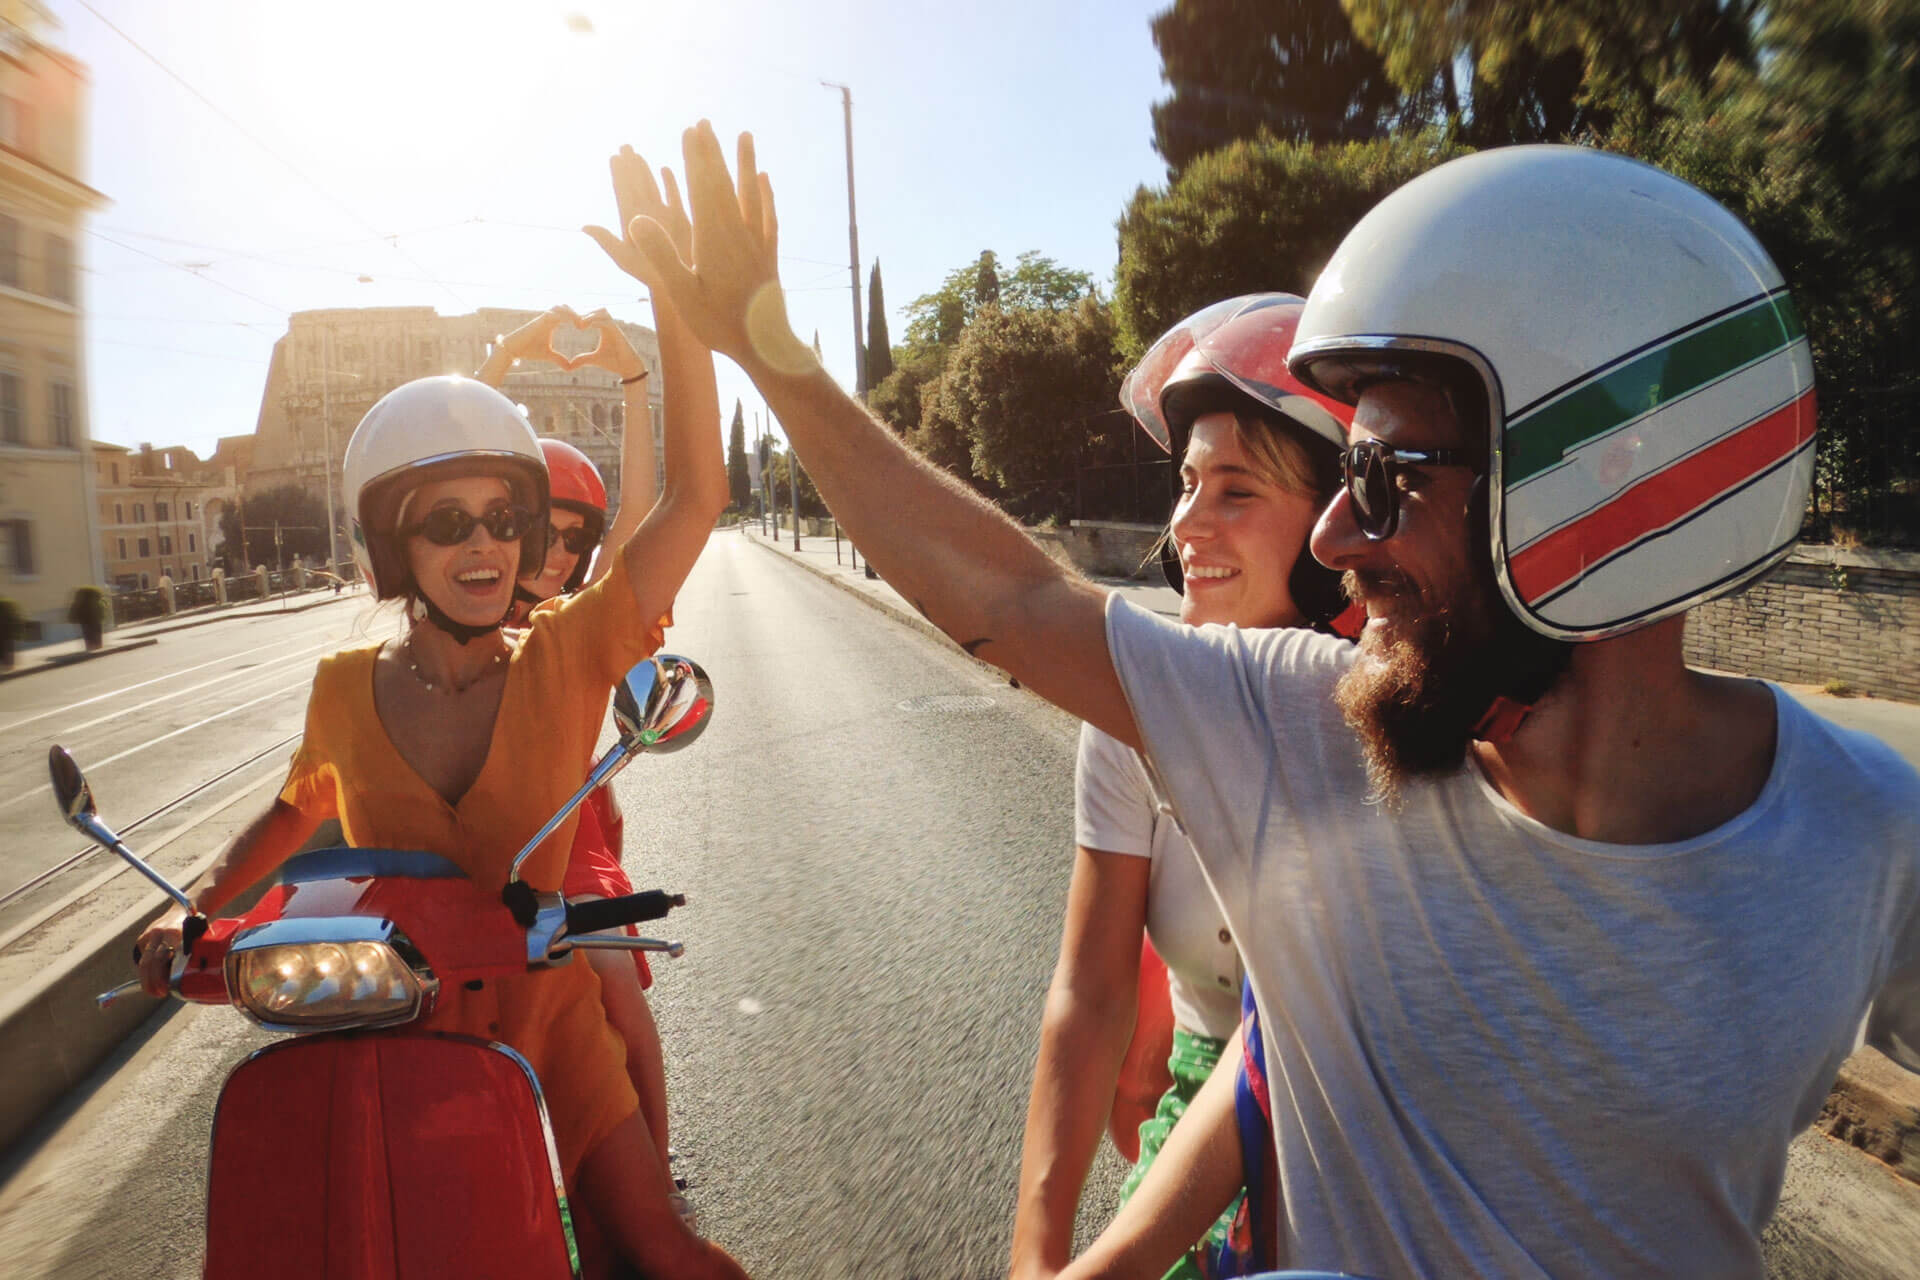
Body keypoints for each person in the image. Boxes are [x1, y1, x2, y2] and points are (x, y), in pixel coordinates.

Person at [629, 126, 1920, 1276]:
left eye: (1390, 477)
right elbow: (1013, 604)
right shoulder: (1301, 725)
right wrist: (773, 357)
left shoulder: (1874, 828)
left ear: (1613, 482)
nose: (1343, 545)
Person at [132, 147, 743, 1280]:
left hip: (550, 1025)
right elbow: (282, 819)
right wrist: (193, 913)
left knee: (661, 1250)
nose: (485, 546)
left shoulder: (568, 651)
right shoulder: (339, 688)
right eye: (448, 521)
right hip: (386, 1032)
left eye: (506, 517)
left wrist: (678, 302)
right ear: (393, 544)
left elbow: (697, 495)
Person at [1010, 295, 1352, 1280]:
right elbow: (1090, 986)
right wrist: (1035, 1251)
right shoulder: (1133, 709)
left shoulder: (1395, 718)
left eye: (1236, 491)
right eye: (1188, 481)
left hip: (1359, 1116)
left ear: (1337, 523)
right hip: (1209, 1088)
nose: (1187, 524)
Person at [475, 306, 681, 1168]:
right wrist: (503, 358)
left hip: (570, 839)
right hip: (469, 841)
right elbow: (458, 459)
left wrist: (635, 380)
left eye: (578, 538)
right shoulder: (459, 614)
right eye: (543, 532)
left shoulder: (577, 624)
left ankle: (658, 1182)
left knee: (620, 1000)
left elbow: (642, 514)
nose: (561, 554)